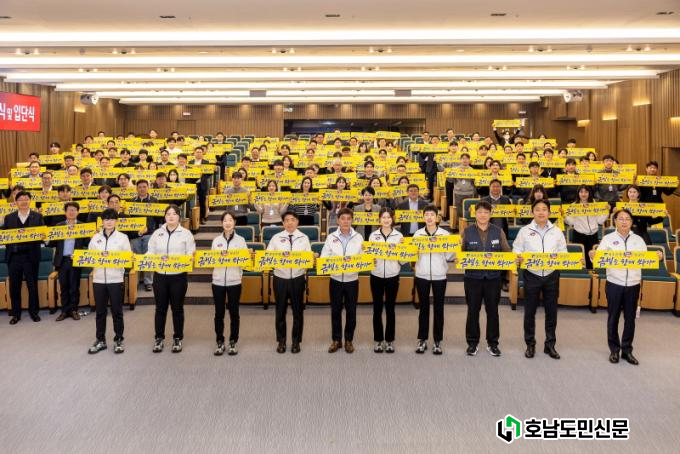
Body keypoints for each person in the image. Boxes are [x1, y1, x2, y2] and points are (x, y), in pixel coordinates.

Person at [589, 209, 663, 365]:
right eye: (621, 219)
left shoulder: (639, 240)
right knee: (613, 318)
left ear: (631, 222)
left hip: (633, 284)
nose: (624, 221)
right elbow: (598, 259)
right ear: (615, 221)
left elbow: (646, 260)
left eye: (627, 219)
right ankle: (614, 350)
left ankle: (627, 350)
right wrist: (592, 256)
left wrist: (658, 257)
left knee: (630, 319)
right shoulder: (608, 239)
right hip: (614, 284)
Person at [513, 199, 568, 360]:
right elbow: (517, 248)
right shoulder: (524, 231)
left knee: (551, 312)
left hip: (552, 275)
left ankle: (550, 345)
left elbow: (563, 251)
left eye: (544, 209)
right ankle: (530, 344)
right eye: (537, 209)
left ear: (549, 212)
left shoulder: (557, 231)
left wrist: (562, 258)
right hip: (532, 274)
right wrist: (518, 256)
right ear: (532, 212)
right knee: (529, 312)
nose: (541, 212)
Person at [461, 201, 511, 356]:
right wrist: (458, 257)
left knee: (493, 311)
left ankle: (493, 343)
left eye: (486, 212)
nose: (483, 215)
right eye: (480, 212)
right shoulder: (466, 232)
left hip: (493, 278)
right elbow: (459, 253)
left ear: (490, 214)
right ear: (475, 214)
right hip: (472, 278)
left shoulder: (498, 231)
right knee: (472, 311)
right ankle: (472, 343)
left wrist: (514, 259)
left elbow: (507, 252)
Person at [148, 205, 196, 353]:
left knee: (177, 309)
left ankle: (177, 338)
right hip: (160, 277)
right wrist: (141, 258)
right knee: (160, 309)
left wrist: (190, 257)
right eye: (168, 214)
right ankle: (159, 338)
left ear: (179, 217)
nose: (171, 216)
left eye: (174, 214)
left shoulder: (186, 234)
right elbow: (150, 252)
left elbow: (191, 252)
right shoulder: (157, 233)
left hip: (178, 277)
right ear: (164, 216)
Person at [87, 208, 132, 354]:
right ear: (102, 221)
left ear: (116, 221)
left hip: (116, 279)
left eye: (112, 219)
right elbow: (89, 257)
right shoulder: (95, 238)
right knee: (100, 312)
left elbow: (127, 258)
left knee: (117, 311)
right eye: (106, 219)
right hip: (99, 280)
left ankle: (119, 339)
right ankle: (100, 340)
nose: (109, 222)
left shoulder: (123, 238)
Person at [267, 211, 313, 354]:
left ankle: (296, 341)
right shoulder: (276, 238)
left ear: (297, 222)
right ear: (283, 223)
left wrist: (312, 258)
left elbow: (308, 259)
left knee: (298, 312)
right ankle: (281, 341)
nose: (290, 223)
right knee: (280, 311)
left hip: (298, 279)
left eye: (292, 220)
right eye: (286, 220)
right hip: (280, 279)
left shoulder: (304, 238)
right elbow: (268, 257)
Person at [321, 208, 363, 354]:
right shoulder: (331, 237)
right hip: (336, 280)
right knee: (335, 311)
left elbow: (363, 258)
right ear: (338, 220)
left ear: (352, 220)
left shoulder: (359, 237)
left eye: (348, 219)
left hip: (352, 280)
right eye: (343, 218)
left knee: (351, 311)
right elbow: (324, 257)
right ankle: (336, 340)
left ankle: (349, 340)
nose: (345, 221)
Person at [413, 205, 453, 355]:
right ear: (423, 217)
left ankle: (437, 341)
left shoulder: (445, 234)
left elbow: (449, 256)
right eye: (427, 215)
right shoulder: (417, 234)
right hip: (422, 275)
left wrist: (454, 248)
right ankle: (422, 339)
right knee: (423, 308)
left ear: (437, 217)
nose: (429, 217)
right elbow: (413, 254)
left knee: (439, 308)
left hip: (439, 275)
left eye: (432, 215)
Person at [3, 191, 46, 324]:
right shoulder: (8, 217)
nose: (23, 201)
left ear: (30, 201)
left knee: (32, 286)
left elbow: (43, 235)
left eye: (26, 199)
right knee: (14, 287)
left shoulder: (37, 217)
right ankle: (16, 314)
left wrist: (44, 236)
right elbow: (4, 236)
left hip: (30, 256)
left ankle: (34, 312)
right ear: (16, 202)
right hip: (14, 256)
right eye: (20, 199)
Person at [211, 211, 248, 356]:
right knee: (218, 313)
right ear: (222, 223)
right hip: (218, 281)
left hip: (234, 281)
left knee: (234, 313)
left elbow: (245, 262)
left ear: (234, 223)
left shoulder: (241, 240)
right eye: (225, 220)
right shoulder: (216, 241)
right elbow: (211, 260)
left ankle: (233, 341)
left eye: (230, 220)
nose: (227, 223)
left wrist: (248, 257)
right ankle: (219, 341)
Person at [368, 208, 403, 353]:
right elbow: (369, 256)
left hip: (392, 276)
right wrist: (370, 259)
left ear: (392, 219)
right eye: (383, 217)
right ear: (379, 220)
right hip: (376, 275)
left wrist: (404, 249)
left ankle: (389, 340)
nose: (386, 220)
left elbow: (403, 260)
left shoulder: (399, 236)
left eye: (389, 217)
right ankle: (378, 340)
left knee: (390, 309)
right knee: (377, 309)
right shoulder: (373, 236)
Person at [46, 202, 89, 321]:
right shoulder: (59, 226)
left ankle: (74, 310)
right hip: (62, 260)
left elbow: (87, 243)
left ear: (78, 212)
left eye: (74, 210)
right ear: (65, 212)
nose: (71, 212)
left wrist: (94, 236)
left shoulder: (83, 226)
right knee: (64, 287)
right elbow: (53, 243)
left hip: (75, 260)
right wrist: (46, 239)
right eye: (69, 210)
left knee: (74, 287)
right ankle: (64, 311)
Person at [564, 185, 608, 269]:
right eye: (581, 192)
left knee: (592, 261)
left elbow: (600, 221)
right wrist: (564, 216)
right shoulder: (573, 206)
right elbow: (571, 222)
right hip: (579, 235)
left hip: (593, 236)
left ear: (589, 193)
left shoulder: (595, 205)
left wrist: (606, 212)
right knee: (580, 261)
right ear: (578, 193)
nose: (583, 194)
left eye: (586, 192)